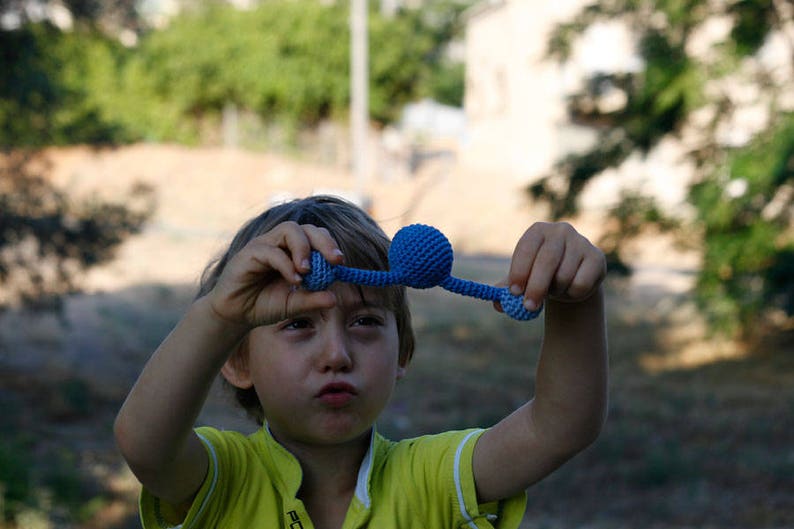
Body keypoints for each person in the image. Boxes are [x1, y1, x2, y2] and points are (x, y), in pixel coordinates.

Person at [114, 195, 608, 529]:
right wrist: (221, 315)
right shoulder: (223, 478)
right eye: (298, 325)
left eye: (366, 322)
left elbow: (560, 426)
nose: (336, 354)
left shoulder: (434, 479)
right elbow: (144, 444)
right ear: (236, 360)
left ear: (403, 353)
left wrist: (575, 303)